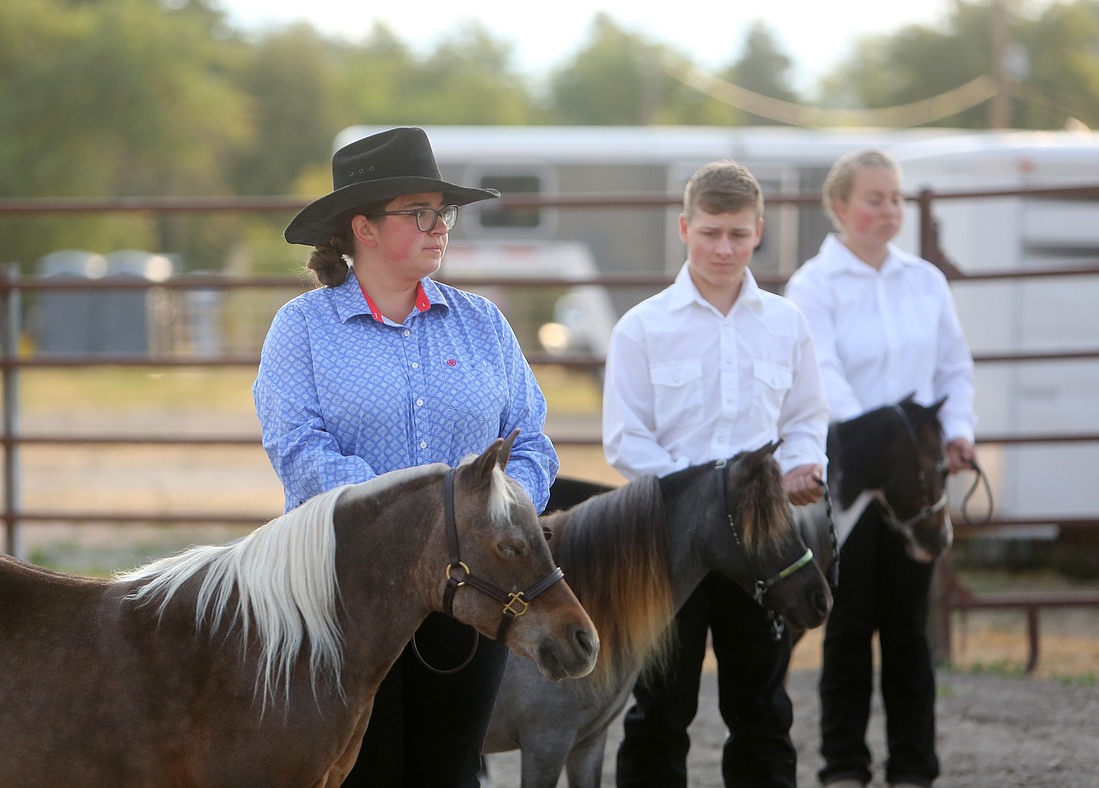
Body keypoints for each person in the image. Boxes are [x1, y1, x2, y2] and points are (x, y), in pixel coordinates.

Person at [252, 126, 559, 787]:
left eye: (441, 212)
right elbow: (300, 451)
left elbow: (531, 439)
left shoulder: (481, 323)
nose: (438, 226)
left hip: (469, 589)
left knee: (451, 770)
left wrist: (501, 513)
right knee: (363, 771)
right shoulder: (302, 330)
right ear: (362, 228)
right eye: (418, 213)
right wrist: (419, 520)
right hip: (348, 593)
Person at [605, 159, 829, 788]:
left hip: (761, 544)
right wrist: (705, 499)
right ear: (684, 227)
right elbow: (626, 440)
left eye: (737, 233)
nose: (723, 248)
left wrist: (803, 464)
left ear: (758, 230)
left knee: (761, 706)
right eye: (710, 232)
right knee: (660, 708)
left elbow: (808, 416)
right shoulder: (642, 328)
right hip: (666, 543)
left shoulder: (787, 325)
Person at [784, 148, 977, 788]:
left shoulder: (925, 280)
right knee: (849, 624)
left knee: (909, 627)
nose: (890, 210)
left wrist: (958, 434)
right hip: (853, 484)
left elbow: (954, 367)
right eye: (876, 198)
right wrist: (887, 440)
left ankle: (914, 767)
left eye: (895, 198)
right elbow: (824, 376)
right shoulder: (814, 285)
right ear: (840, 207)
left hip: (916, 483)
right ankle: (844, 764)